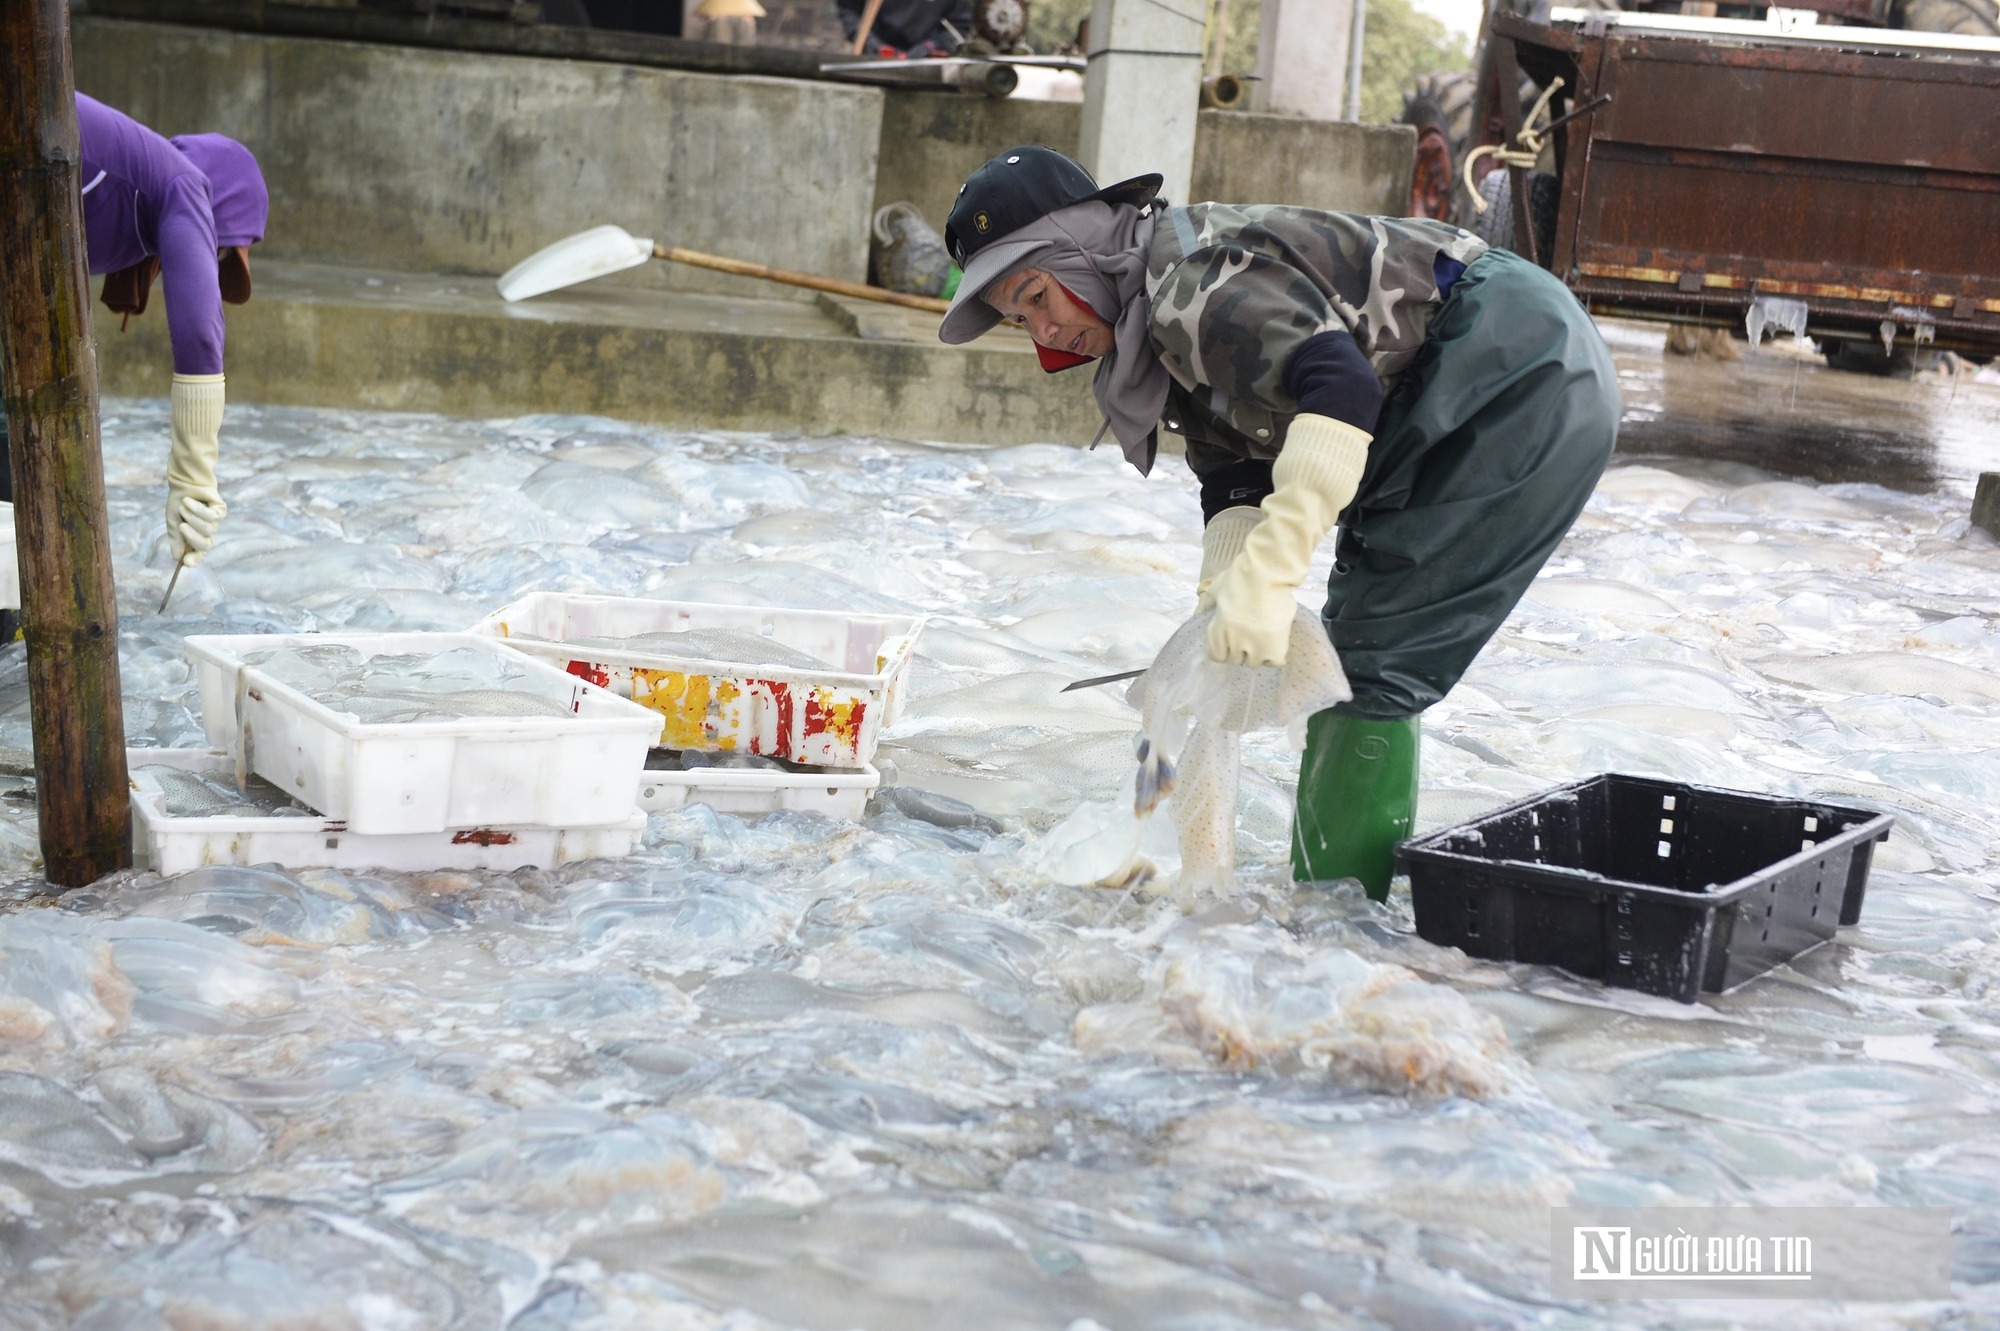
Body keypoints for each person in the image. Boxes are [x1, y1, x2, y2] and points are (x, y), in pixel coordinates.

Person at [938, 147, 1620, 897]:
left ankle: (1338, 935)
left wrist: (1271, 574)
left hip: (1509, 365)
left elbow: (1341, 388)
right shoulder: (1154, 331)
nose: (1045, 329)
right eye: (1018, 317)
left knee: (1368, 670)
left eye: (1039, 294)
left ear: (1083, 246)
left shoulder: (1188, 288)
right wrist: (1219, 602)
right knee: (1356, 646)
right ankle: (1325, 914)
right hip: (1457, 383)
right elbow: (1235, 476)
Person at [0, 94, 268, 589]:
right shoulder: (180, 181)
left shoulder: (128, 209)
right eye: (221, 252)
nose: (208, 267)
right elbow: (200, 334)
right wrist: (193, 476)